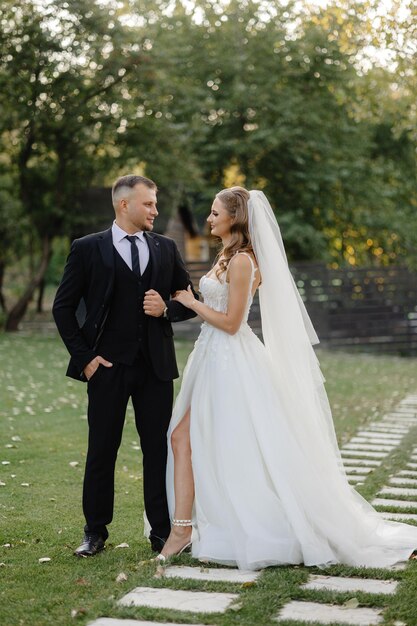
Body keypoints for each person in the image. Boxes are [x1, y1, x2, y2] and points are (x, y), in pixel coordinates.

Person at [155, 186, 417, 570]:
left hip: (232, 361)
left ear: (235, 218)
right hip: (209, 359)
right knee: (183, 436)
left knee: (216, 442)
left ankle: (202, 529)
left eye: (215, 213)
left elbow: (232, 323)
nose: (209, 219)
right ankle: (184, 527)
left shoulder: (244, 261)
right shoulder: (224, 256)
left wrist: (192, 302)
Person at [52, 174, 198, 557]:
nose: (155, 209)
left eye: (154, 203)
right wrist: (85, 360)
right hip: (106, 367)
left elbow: (189, 298)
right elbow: (62, 307)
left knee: (158, 450)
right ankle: (95, 532)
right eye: (148, 203)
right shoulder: (87, 248)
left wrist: (167, 309)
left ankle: (162, 532)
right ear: (124, 205)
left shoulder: (166, 248)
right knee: (102, 449)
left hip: (155, 367)